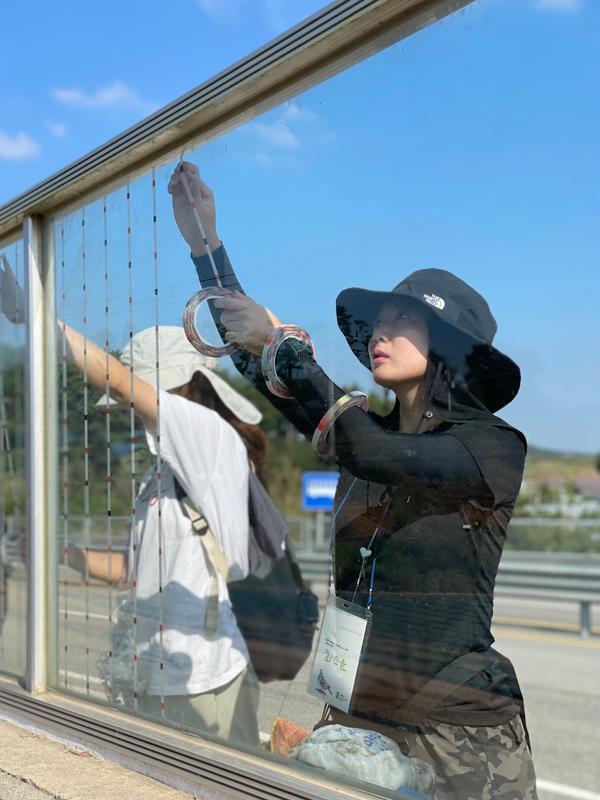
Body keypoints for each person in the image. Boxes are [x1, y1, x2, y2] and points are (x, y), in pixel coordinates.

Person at [169, 161, 537, 799]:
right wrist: (207, 246)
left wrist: (282, 342)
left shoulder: (492, 447)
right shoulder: (361, 428)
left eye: (402, 321)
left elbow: (370, 450)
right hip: (358, 715)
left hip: (457, 733)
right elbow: (265, 370)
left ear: (448, 346)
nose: (380, 333)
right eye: (379, 321)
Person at [0, 257, 262, 747]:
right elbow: (134, 570)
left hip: (204, 683)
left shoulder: (211, 442)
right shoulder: (161, 474)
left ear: (176, 387)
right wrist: (62, 553)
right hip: (154, 679)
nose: (129, 411)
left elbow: (117, 380)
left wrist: (27, 313)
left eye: (135, 398)